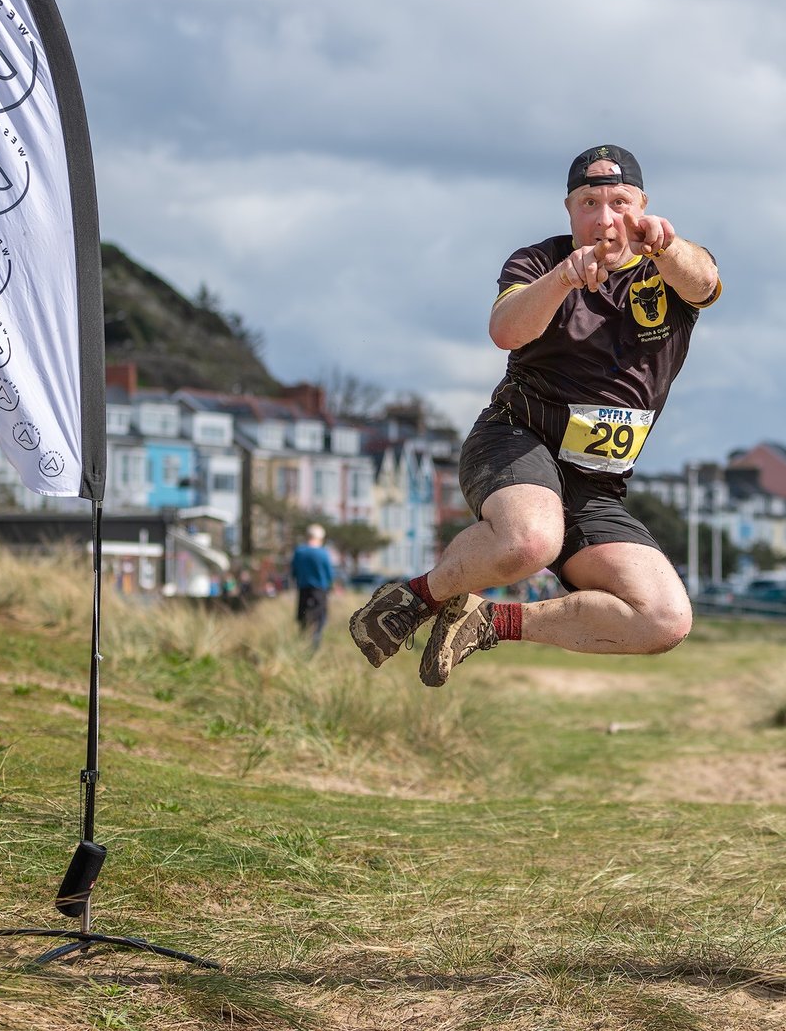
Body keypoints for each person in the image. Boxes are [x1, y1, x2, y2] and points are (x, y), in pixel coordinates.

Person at [350, 145, 720, 685]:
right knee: (530, 541)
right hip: (517, 440)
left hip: (596, 485)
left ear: (642, 205)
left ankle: (488, 620)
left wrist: (667, 246)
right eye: (589, 202)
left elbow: (704, 282)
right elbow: (505, 329)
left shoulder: (670, 269)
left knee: (663, 619)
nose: (605, 218)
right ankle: (415, 598)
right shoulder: (540, 262)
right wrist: (565, 279)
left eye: (620, 202)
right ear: (569, 209)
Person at [289, 524, 336, 650]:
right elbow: (330, 575)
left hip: (303, 589)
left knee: (303, 618)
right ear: (321, 538)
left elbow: (293, 571)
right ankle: (314, 646)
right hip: (320, 591)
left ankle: (302, 642)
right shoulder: (323, 553)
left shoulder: (299, 552)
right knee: (319, 620)